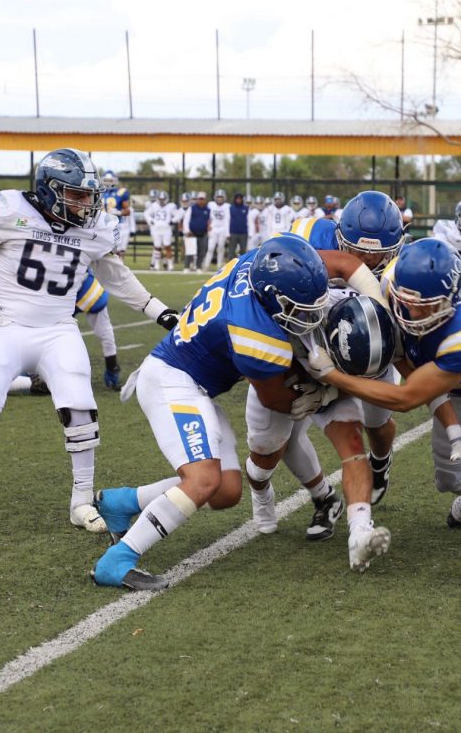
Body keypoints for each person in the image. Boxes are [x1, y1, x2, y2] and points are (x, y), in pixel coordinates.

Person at [0, 148, 180, 534]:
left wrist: (160, 312)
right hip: (3, 324)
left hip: (57, 328)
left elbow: (116, 277)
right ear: (49, 190)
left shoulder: (96, 228)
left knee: (80, 407)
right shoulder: (9, 209)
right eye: (77, 195)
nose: (86, 204)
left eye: (89, 196)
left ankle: (81, 500)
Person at [90, 235, 340, 590]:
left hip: (192, 383)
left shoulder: (256, 264)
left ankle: (121, 502)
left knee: (225, 491)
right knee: (203, 479)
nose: (307, 316)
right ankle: (117, 560)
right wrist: (326, 393)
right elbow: (275, 400)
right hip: (171, 381)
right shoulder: (255, 332)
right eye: (297, 308)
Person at [306, 238, 461, 581]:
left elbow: (406, 398)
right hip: (456, 396)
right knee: (449, 480)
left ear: (450, 300)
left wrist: (331, 376)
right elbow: (406, 361)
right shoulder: (392, 280)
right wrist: (455, 432)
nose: (411, 313)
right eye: (406, 302)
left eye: (424, 307)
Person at [243, 193, 404, 565]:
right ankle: (314, 496)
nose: (368, 261)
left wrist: (332, 386)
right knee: (267, 450)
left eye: (378, 254)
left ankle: (361, 530)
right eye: (357, 251)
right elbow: (266, 290)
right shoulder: (307, 235)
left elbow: (398, 344)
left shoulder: (400, 270)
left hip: (359, 362)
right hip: (293, 358)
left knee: (365, 431)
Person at [75, 269, 124, 390]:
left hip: (62, 292)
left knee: (51, 331)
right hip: (84, 287)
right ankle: (112, 370)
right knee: (105, 332)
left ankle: (39, 372)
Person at [145, 191, 177, 271]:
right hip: (156, 229)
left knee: (167, 246)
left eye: (163, 199)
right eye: (160, 199)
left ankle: (170, 264)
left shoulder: (171, 206)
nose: (162, 201)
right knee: (157, 247)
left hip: (166, 229)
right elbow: (146, 214)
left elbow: (177, 214)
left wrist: (173, 220)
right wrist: (150, 220)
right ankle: (157, 264)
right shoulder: (154, 205)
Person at [202, 189, 231, 272]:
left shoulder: (227, 206)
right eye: (218, 197)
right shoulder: (211, 205)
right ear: (215, 197)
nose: (220, 199)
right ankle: (206, 265)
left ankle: (219, 265)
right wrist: (208, 225)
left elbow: (227, 219)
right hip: (213, 228)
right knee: (210, 248)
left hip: (222, 229)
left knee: (221, 248)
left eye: (221, 197)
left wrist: (227, 233)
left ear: (224, 198)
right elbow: (207, 216)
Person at [184, 192, 210, 271]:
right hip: (192, 233)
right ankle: (186, 267)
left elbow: (210, 220)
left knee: (201, 252)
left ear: (205, 200)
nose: (201, 201)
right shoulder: (192, 208)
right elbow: (186, 220)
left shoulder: (208, 210)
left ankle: (198, 267)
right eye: (199, 199)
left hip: (203, 233)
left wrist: (209, 228)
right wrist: (187, 230)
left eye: (202, 199)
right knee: (190, 251)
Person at [228, 192, 250, 258]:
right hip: (233, 232)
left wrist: (249, 232)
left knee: (243, 250)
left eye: (240, 199)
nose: (238, 200)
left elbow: (249, 220)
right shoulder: (231, 208)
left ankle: (242, 263)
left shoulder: (246, 208)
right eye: (237, 199)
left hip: (243, 233)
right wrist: (228, 233)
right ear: (235, 199)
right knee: (231, 250)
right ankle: (231, 263)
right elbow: (227, 220)